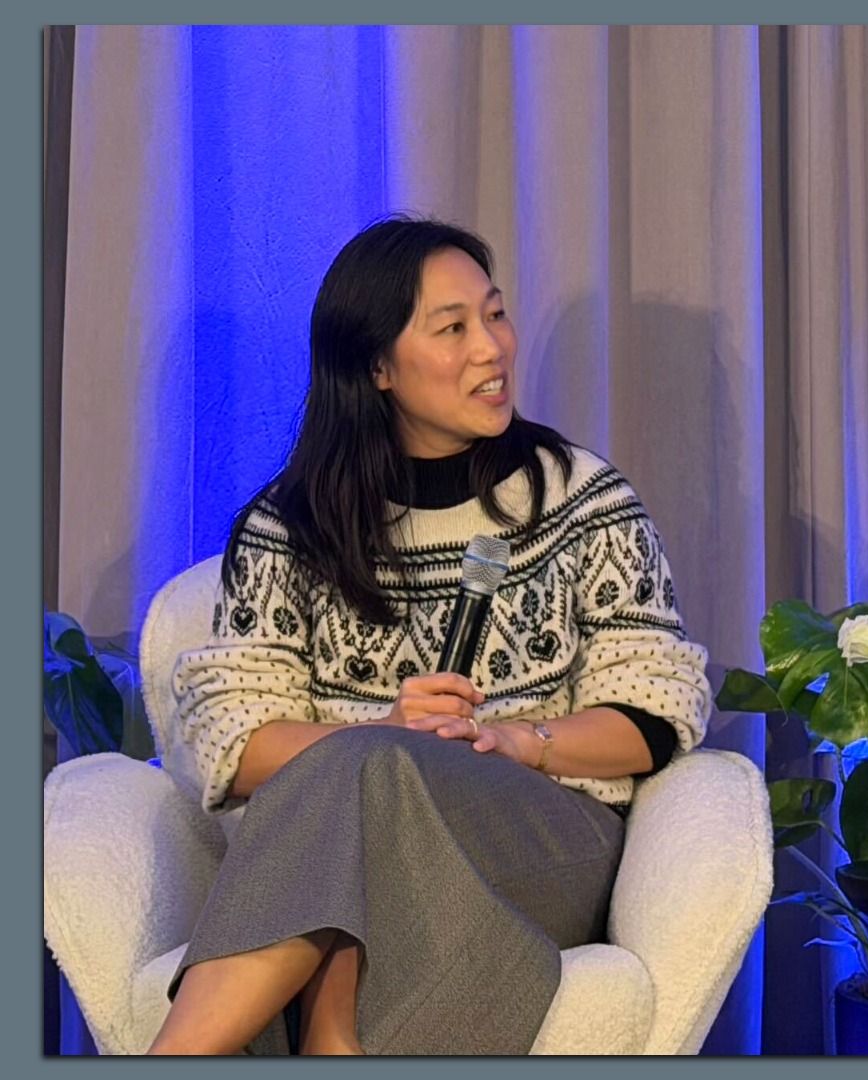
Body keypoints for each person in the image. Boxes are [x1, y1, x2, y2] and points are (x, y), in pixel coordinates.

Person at [147, 217, 712, 1055]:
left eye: (495, 315)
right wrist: (386, 735)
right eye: (453, 329)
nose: (492, 349)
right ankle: (328, 1045)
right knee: (366, 778)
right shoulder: (288, 528)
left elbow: (657, 709)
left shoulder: (579, 499)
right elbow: (234, 744)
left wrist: (522, 741)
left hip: (541, 843)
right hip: (351, 856)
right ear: (377, 367)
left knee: (360, 769)